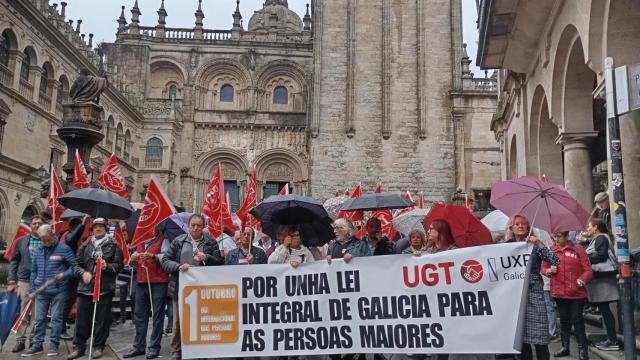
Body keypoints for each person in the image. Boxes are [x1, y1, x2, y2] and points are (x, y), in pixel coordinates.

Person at [161, 214, 224, 360]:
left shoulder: (211, 243)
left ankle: (201, 349)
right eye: (193, 225)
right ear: (188, 226)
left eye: (199, 225)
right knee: (177, 323)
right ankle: (176, 351)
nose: (195, 228)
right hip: (180, 290)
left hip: (203, 290)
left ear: (203, 227)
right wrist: (178, 266)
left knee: (201, 320)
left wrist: (207, 258)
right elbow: (165, 260)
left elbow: (220, 263)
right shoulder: (178, 241)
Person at [504, 215, 559, 360]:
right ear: (512, 228)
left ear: (528, 227)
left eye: (524, 224)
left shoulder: (535, 244)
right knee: (522, 339)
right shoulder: (506, 246)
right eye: (517, 224)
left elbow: (555, 260)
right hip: (515, 294)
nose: (521, 226)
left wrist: (539, 243)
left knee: (540, 337)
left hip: (534, 292)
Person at [68, 218, 124, 360]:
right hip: (85, 288)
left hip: (104, 288)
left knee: (102, 319)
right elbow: (76, 264)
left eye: (101, 226)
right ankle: (79, 347)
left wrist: (108, 267)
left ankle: (99, 346)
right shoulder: (85, 244)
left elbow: (119, 265)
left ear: (105, 228)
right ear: (92, 229)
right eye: (95, 227)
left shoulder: (114, 244)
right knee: (81, 319)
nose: (98, 229)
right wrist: (83, 273)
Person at [21, 224, 76, 357]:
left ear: (52, 234)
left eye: (47, 239)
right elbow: (34, 271)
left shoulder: (64, 249)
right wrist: (33, 290)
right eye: (42, 239)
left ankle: (53, 346)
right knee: (39, 319)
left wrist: (65, 275)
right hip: (41, 291)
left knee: (56, 319)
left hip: (59, 290)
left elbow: (75, 267)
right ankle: (37, 345)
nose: (45, 242)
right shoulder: (38, 250)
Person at [541, 231, 593, 360]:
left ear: (566, 236)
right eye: (554, 237)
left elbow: (588, 270)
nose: (556, 239)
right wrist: (548, 271)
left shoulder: (578, 249)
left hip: (576, 292)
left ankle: (583, 350)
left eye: (558, 236)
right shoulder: (551, 251)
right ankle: (565, 347)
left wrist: (581, 280)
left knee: (577, 319)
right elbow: (543, 267)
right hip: (559, 292)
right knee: (564, 320)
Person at [326, 218, 370, 360]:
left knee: (355, 326)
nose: (335, 231)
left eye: (337, 228)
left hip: (354, 295)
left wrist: (355, 257)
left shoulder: (360, 244)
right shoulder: (332, 246)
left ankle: (356, 353)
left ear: (345, 230)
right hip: (336, 295)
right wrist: (327, 259)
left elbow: (370, 262)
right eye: (334, 229)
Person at [124, 229, 171, 359]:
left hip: (158, 282)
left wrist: (154, 256)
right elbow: (131, 265)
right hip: (141, 280)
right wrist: (132, 259)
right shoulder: (140, 240)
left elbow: (167, 257)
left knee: (157, 315)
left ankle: (154, 347)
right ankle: (138, 347)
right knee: (139, 315)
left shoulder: (164, 239)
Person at [7, 215, 44, 353]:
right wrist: (11, 281)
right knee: (22, 313)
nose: (36, 225)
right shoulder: (21, 241)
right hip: (24, 282)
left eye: (39, 223)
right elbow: (14, 262)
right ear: (31, 225)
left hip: (42, 283)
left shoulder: (48, 241)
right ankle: (20, 341)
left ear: (43, 225)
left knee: (37, 314)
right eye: (34, 223)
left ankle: (34, 341)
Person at [585, 218, 620, 351]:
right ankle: (611, 339)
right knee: (605, 310)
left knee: (605, 310)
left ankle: (612, 341)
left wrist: (585, 258)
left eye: (589, 226)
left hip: (603, 280)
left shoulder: (600, 238)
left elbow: (602, 255)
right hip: (601, 280)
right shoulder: (598, 238)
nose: (588, 229)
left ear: (595, 227)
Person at [60, 215, 90, 340]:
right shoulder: (69, 236)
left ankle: (61, 325)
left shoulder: (70, 237)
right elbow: (73, 239)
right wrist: (83, 223)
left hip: (72, 274)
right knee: (67, 301)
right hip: (69, 274)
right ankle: (60, 329)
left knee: (69, 301)